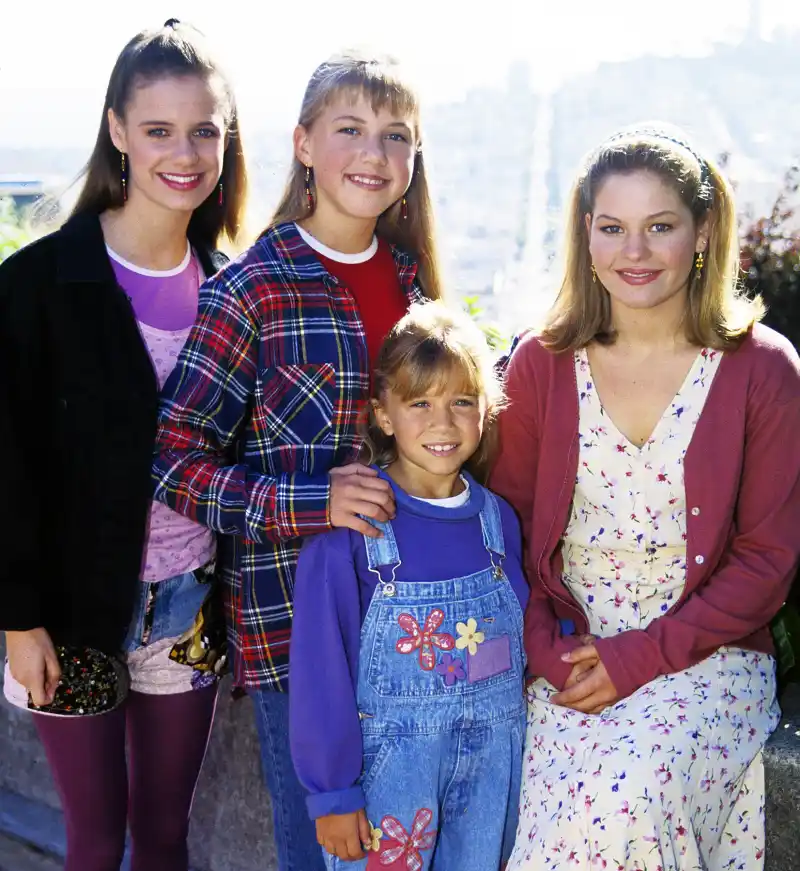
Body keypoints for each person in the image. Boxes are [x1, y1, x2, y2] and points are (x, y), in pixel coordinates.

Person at [152, 50, 444, 870]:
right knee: (324, 854)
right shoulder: (252, 290)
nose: (374, 154)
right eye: (350, 129)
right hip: (296, 638)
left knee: (410, 848)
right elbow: (173, 462)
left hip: (417, 627)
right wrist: (308, 500)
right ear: (305, 144)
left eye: (397, 136)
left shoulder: (420, 290)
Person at [490, 123, 800, 870]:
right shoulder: (540, 363)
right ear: (586, 239)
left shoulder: (763, 371)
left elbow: (768, 561)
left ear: (702, 234)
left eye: (660, 226)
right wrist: (543, 650)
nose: (635, 252)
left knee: (632, 794)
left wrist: (640, 656)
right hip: (566, 654)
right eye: (613, 228)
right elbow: (507, 526)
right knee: (549, 814)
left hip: (706, 659)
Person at [0, 19, 247, 871]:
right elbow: (7, 466)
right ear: (116, 131)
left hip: (190, 608)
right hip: (71, 616)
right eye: (158, 130)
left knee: (167, 839)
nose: (184, 153)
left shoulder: (230, 290)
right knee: (97, 842)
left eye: (204, 130)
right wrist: (18, 618)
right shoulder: (38, 285)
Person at [290, 301, 527, 870]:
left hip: (491, 775)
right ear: (384, 414)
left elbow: (522, 638)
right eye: (419, 403)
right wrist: (332, 792)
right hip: (390, 785)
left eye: (461, 402)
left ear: (485, 411)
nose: (442, 424)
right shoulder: (352, 533)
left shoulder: (498, 521)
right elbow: (320, 672)